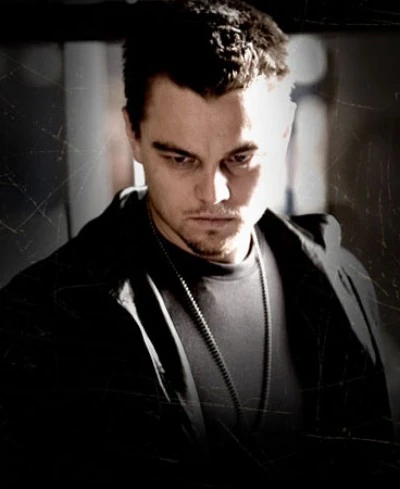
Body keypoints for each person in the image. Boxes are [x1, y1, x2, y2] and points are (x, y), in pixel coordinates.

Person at [0, 0, 398, 485]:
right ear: (133, 134)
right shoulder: (43, 318)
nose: (214, 194)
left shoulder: (342, 280)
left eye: (240, 158)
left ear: (284, 131)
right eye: (180, 158)